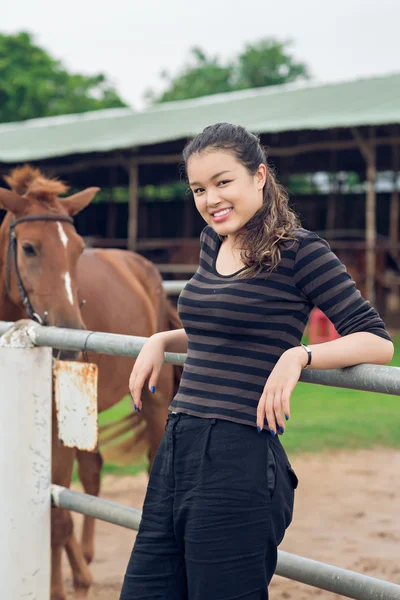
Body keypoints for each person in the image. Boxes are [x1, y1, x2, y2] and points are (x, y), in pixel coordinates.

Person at [120, 123, 393, 599]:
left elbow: (376, 340)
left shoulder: (302, 251)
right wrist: (162, 338)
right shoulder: (213, 243)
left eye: (223, 182)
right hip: (178, 444)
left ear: (259, 176)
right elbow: (221, 331)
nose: (210, 199)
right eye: (199, 189)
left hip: (238, 455)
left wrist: (299, 355)